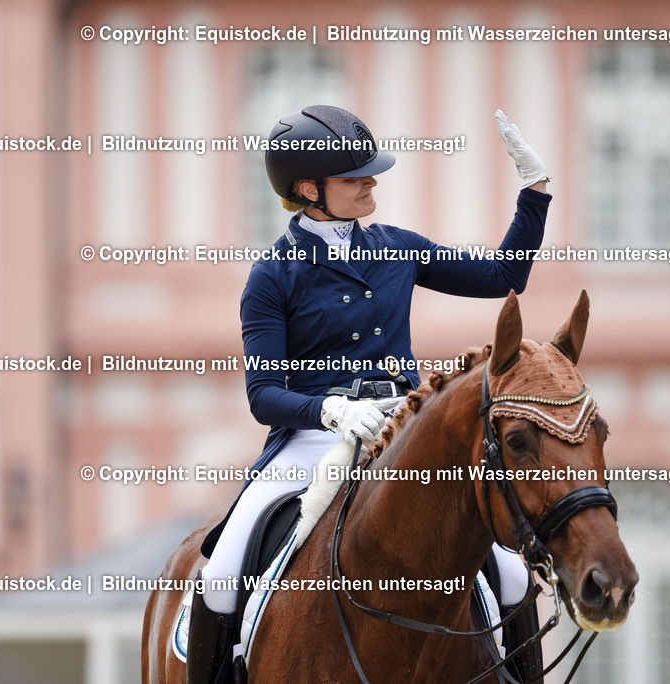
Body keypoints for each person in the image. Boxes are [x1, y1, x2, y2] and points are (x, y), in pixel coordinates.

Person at [190, 104, 551, 684]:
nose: (371, 183)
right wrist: (330, 409)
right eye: (354, 176)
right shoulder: (273, 275)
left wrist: (534, 192)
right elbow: (263, 395)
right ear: (309, 189)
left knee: (510, 571)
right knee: (222, 572)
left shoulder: (396, 247)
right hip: (314, 438)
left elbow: (502, 277)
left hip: (403, 429)